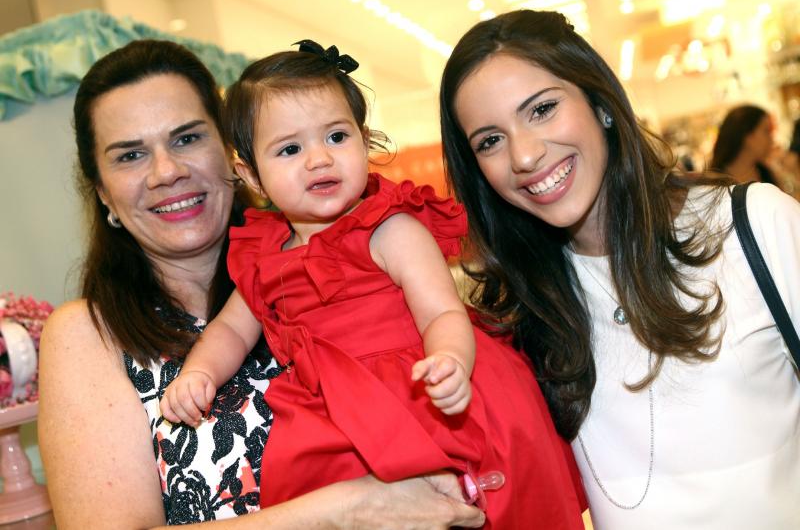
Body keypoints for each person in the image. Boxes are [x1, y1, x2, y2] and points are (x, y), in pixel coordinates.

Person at [37, 38, 486, 529]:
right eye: (130, 156)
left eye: (187, 138)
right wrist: (344, 512)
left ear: (232, 156)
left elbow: (447, 339)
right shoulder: (88, 334)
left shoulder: (359, 258)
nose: (167, 172)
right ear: (102, 191)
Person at [159, 40, 586, 529]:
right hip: (334, 410)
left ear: (364, 142)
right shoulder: (264, 256)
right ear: (251, 174)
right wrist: (200, 373)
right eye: (291, 149)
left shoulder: (390, 228)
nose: (319, 159)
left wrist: (451, 360)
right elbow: (232, 330)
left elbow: (442, 310)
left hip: (419, 388)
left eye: (336, 137)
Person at [440, 9, 800, 530]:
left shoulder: (754, 226)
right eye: (490, 141)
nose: (525, 155)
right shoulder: (521, 309)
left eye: (542, 109)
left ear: (601, 104)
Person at [709, 104, 780, 185]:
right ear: (747, 135)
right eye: (766, 131)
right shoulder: (717, 181)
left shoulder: (765, 172)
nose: (771, 139)